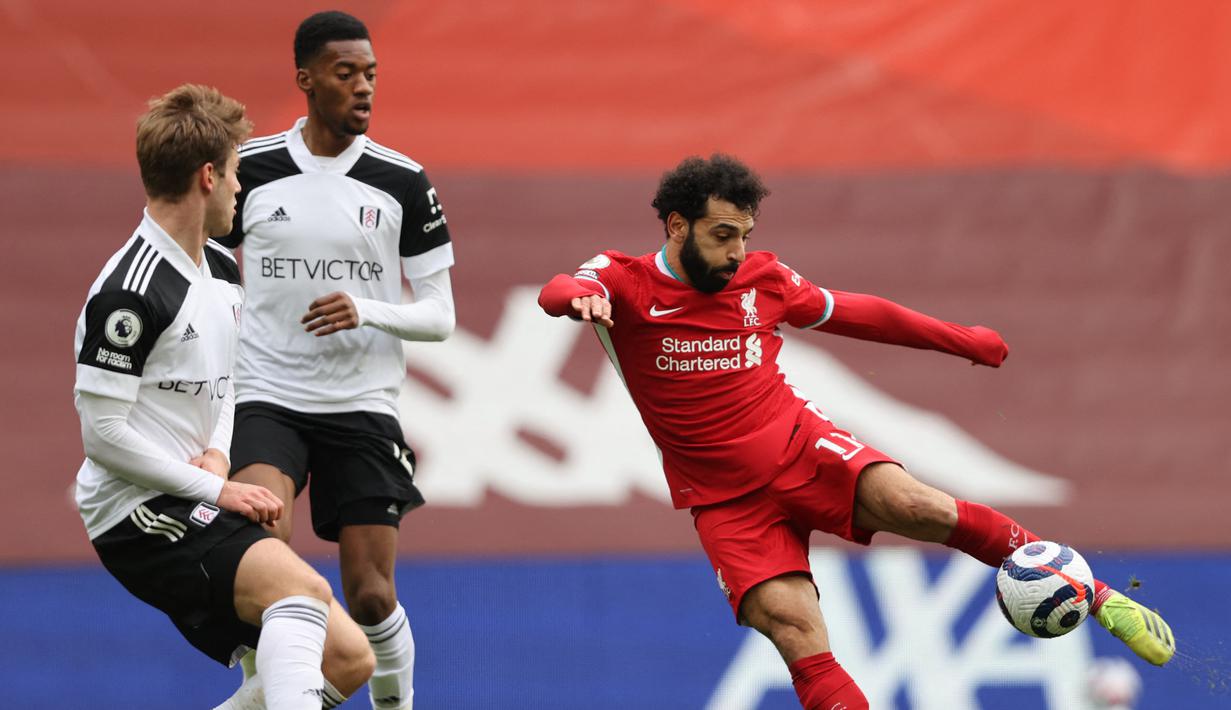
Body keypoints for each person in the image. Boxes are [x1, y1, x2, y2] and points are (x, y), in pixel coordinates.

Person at [537, 154, 1175, 709]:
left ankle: (1100, 597)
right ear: (677, 225)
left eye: (744, 236)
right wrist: (576, 299)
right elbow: (561, 288)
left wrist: (962, 340)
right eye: (722, 235)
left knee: (918, 506)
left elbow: (860, 313)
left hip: (799, 447)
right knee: (794, 632)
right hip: (723, 501)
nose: (735, 253)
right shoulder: (623, 280)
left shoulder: (763, 279)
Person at [73, 84, 374, 710]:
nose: (241, 187)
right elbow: (101, 436)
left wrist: (216, 452)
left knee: (349, 659)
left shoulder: (221, 267)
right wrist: (220, 490)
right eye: (235, 171)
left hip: (194, 492)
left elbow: (227, 377)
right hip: (134, 511)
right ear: (208, 177)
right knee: (301, 596)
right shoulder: (130, 292)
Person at [214, 11, 455, 710]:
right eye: (345, 73)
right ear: (306, 80)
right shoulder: (251, 169)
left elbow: (440, 315)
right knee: (262, 551)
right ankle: (270, 694)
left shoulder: (401, 181)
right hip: (267, 394)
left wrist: (366, 308)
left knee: (371, 596)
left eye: (370, 74)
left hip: (361, 400)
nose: (363, 87)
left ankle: (393, 702)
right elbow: (207, 270)